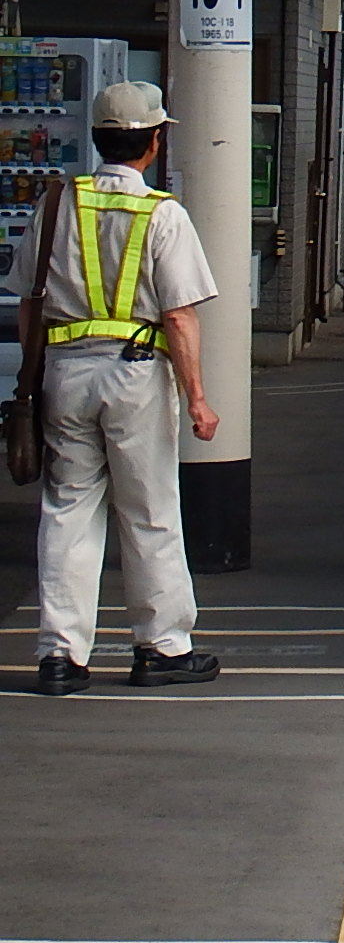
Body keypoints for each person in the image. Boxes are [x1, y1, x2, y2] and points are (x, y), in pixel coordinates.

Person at [6, 81, 220, 695]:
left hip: (64, 371)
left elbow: (28, 302)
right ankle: (161, 647)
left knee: (67, 510)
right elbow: (180, 315)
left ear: (98, 138)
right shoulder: (162, 213)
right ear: (154, 142)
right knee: (149, 510)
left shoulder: (55, 203)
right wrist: (197, 396)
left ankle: (60, 656)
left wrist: (34, 373)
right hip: (136, 372)